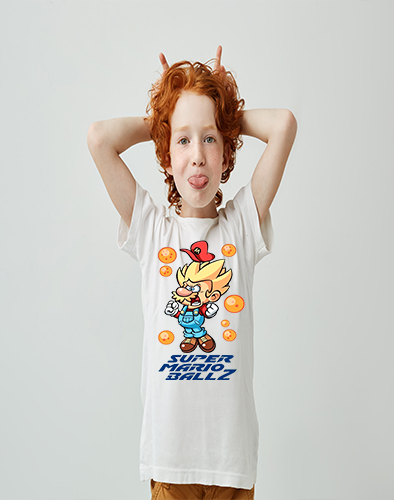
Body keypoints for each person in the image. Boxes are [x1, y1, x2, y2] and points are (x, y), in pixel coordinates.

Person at [87, 46, 297, 500]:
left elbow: (283, 124)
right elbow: (99, 138)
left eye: (210, 140)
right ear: (165, 156)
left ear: (226, 154)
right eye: (182, 141)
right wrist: (168, 113)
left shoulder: (241, 227)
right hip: (170, 464)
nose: (197, 155)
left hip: (232, 468)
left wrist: (222, 110)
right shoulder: (151, 230)